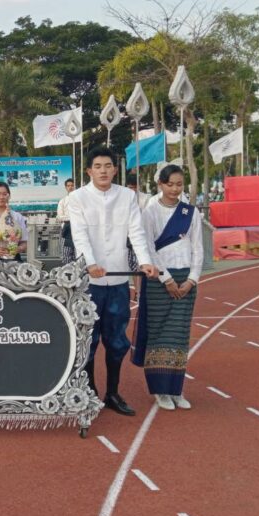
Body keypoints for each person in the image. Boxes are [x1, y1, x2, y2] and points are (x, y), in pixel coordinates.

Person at [67, 146, 158, 416]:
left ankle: (113, 393)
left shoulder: (127, 196)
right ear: (89, 171)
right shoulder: (77, 197)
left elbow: (136, 231)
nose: (103, 171)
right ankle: (89, 391)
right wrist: (89, 263)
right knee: (88, 340)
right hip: (90, 283)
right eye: (98, 166)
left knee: (117, 341)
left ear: (115, 170)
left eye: (108, 166)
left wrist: (144, 261)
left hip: (118, 279)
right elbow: (79, 235)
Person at [132, 165, 203, 411]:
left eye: (179, 184)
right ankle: (160, 390)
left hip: (186, 280)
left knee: (179, 336)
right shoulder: (149, 212)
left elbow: (198, 248)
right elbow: (148, 249)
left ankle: (176, 389)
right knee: (159, 333)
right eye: (170, 184)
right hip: (159, 280)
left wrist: (192, 279)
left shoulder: (191, 212)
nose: (174, 189)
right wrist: (167, 279)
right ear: (160, 184)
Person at [57, 178, 76, 263]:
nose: (70, 187)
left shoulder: (80, 200)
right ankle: (67, 269)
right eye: (68, 186)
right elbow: (60, 217)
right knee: (66, 253)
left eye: (72, 185)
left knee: (78, 254)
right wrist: (73, 218)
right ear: (66, 187)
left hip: (78, 228)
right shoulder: (62, 201)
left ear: (75, 186)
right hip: (66, 229)